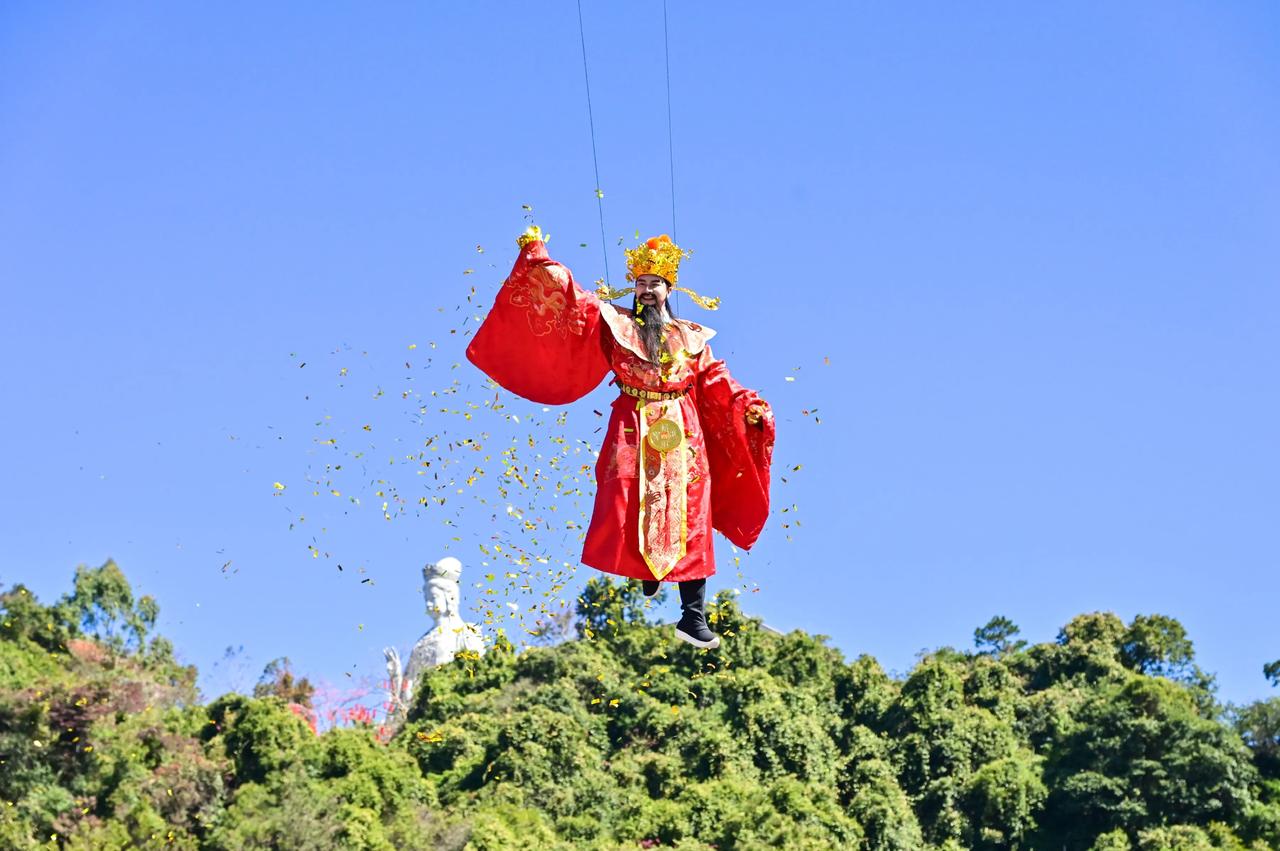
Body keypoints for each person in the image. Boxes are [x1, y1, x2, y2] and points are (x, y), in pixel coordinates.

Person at [466, 228, 774, 648]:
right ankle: (646, 568)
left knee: (691, 515)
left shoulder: (692, 337)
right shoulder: (616, 323)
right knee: (629, 501)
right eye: (641, 283)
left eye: (655, 284)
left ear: (670, 288)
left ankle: (692, 614)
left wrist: (747, 405)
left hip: (683, 430)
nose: (646, 291)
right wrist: (541, 259)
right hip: (632, 425)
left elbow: (716, 380)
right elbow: (571, 298)